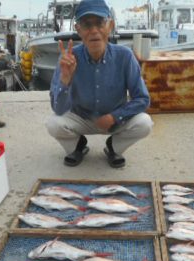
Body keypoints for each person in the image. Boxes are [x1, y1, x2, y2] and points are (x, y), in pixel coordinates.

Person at [47, 0, 153, 168]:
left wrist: (114, 116)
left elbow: (142, 99)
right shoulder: (68, 58)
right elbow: (59, 110)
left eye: (99, 23)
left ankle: (113, 147)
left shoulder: (125, 56)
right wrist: (65, 81)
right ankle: (78, 146)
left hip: (114, 120)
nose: (94, 30)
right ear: (78, 30)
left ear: (110, 26)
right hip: (81, 117)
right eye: (87, 24)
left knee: (144, 123)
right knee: (54, 124)